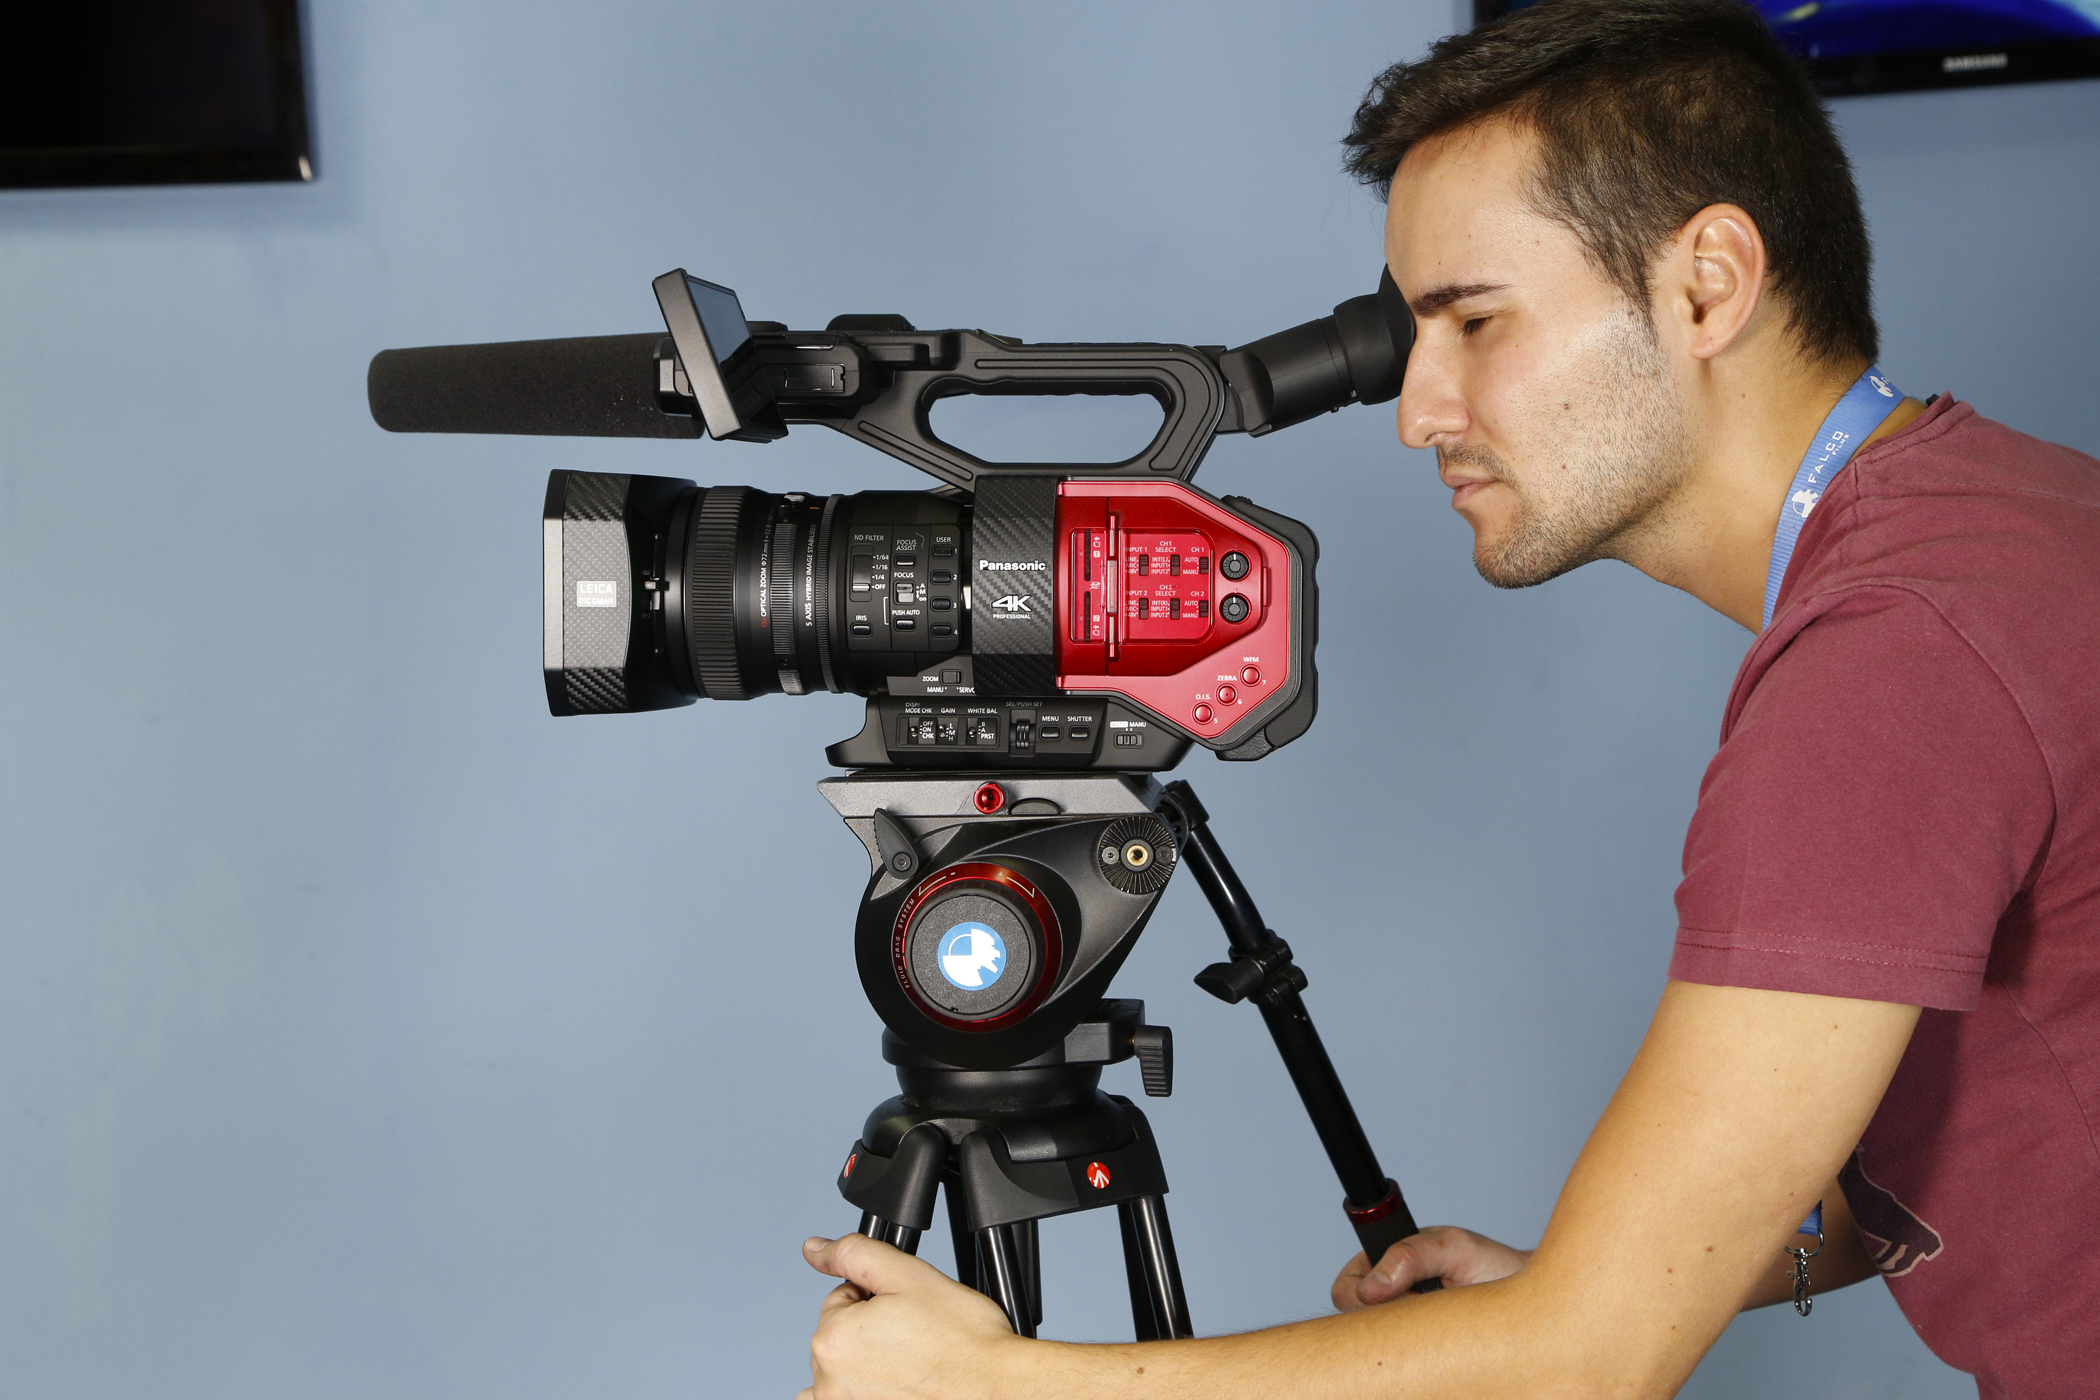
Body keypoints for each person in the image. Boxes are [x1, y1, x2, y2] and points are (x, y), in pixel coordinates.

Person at [796, 1, 2100, 1395]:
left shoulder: (1891, 664)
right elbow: (2004, 1134)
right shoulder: (2006, 522)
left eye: (1474, 322)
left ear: (1709, 286)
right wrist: (1608, 1272)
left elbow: (1583, 1368)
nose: (1420, 411)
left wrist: (1003, 1384)